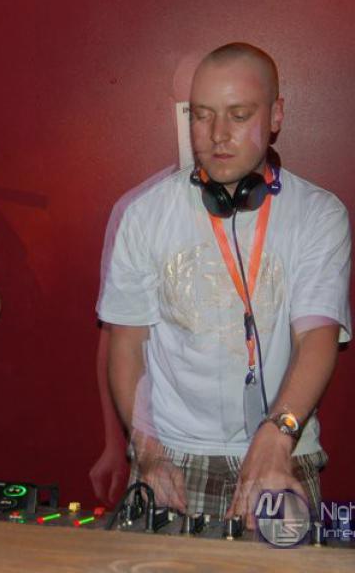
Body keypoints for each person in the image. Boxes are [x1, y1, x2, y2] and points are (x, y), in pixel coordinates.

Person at [97, 43, 351, 527]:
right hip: (171, 455)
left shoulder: (319, 214)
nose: (217, 134)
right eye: (202, 115)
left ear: (276, 115)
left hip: (283, 443)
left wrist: (279, 435)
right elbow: (127, 345)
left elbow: (317, 337)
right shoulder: (144, 214)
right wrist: (146, 451)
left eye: (238, 115)